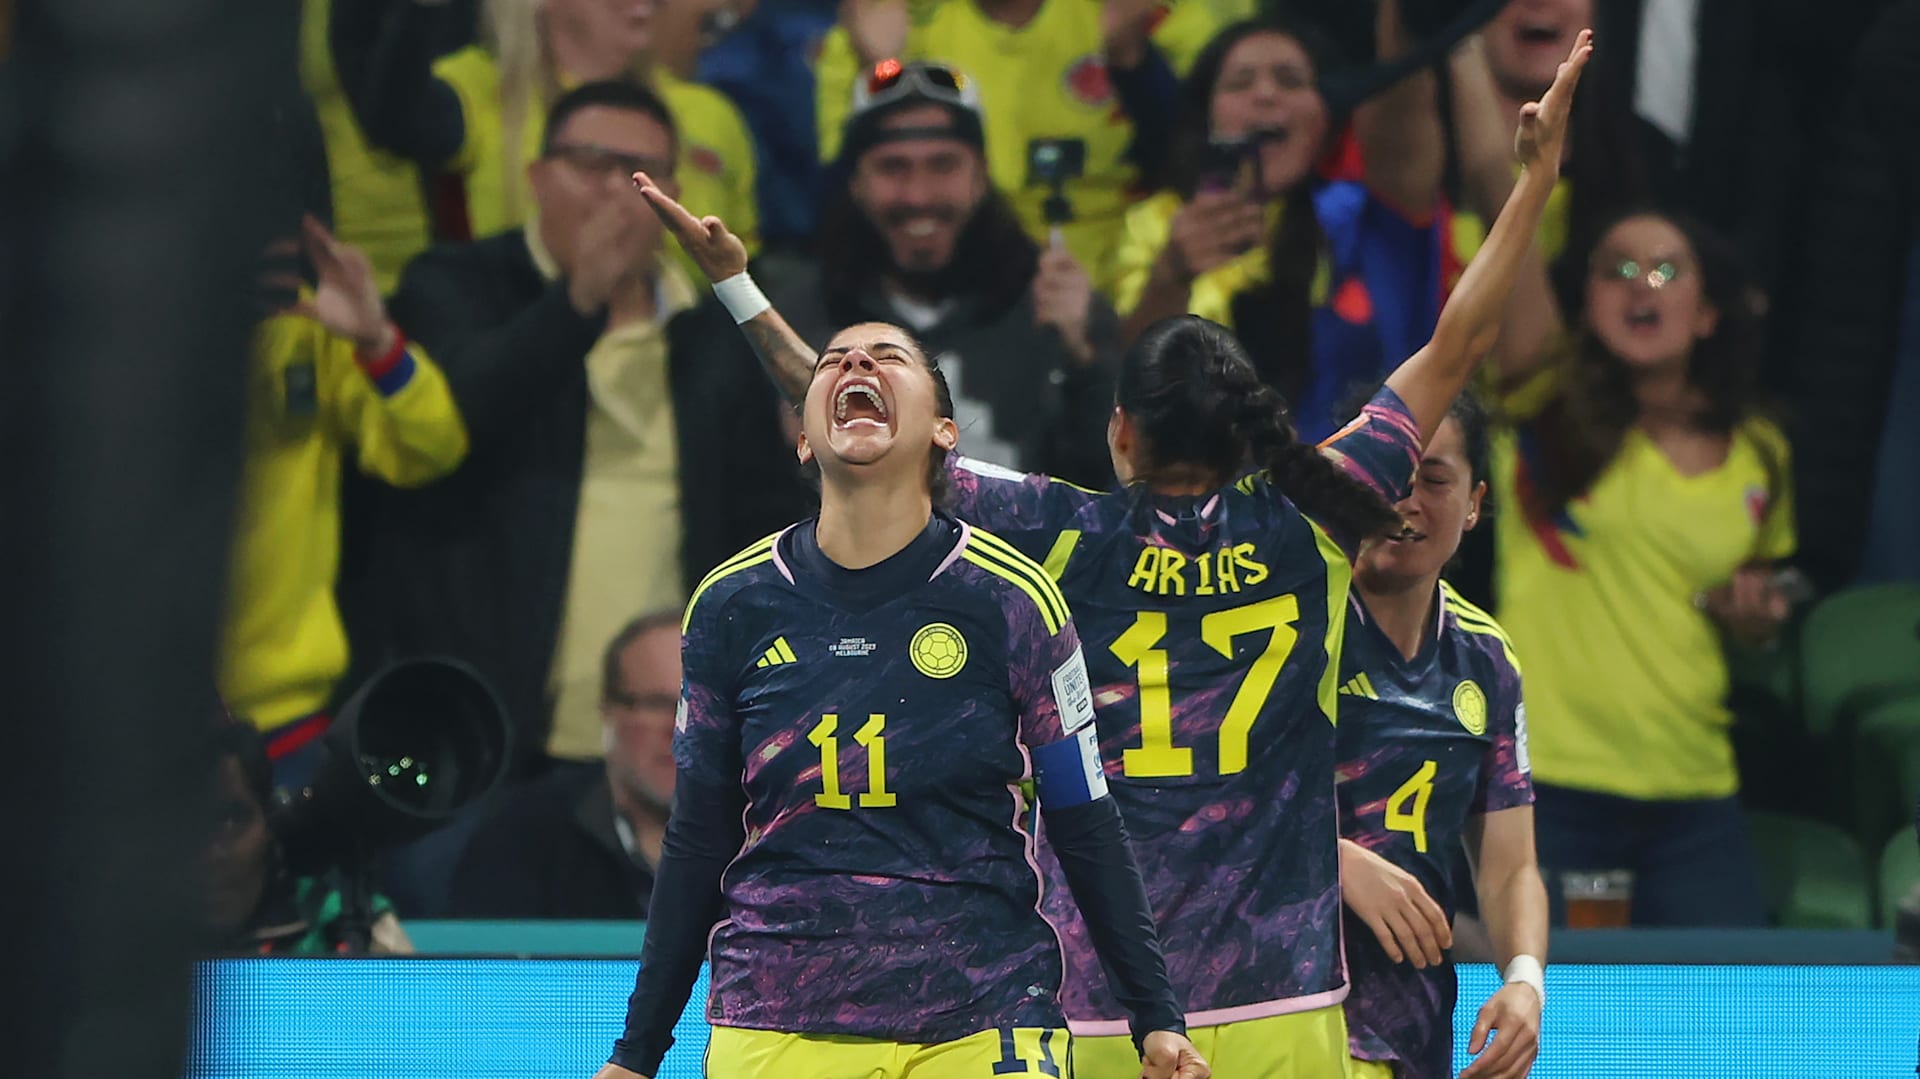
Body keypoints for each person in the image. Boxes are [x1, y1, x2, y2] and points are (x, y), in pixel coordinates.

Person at [633, 26, 1586, 1076]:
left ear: (1120, 429)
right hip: (1288, 996)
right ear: (1253, 429)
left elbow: (858, 413)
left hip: (1107, 1008)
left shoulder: (1055, 533)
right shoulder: (1310, 521)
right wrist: (1531, 182)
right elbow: (1455, 343)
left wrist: (738, 287)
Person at [591, 323, 1208, 1079]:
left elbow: (1086, 820)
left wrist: (1156, 1015)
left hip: (982, 1012)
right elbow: (696, 840)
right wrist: (636, 1054)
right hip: (781, 1014)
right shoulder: (731, 604)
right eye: (832, 361)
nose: (854, 361)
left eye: (888, 357)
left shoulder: (1014, 601)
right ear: (805, 442)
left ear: (944, 431)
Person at [341, 80, 805, 780]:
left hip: (659, 743)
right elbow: (447, 432)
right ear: (536, 177)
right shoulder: (452, 286)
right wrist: (577, 301)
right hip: (478, 729)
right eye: (593, 165)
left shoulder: (713, 336)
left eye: (645, 177)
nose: (619, 194)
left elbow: (757, 526)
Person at [1483, 205, 1794, 926]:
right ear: (1586, 301)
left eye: (1665, 270)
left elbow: (1756, 593)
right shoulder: (1542, 417)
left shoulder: (1762, 452)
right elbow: (1511, 228)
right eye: (1617, 270)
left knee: (1720, 1020)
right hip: (1561, 788)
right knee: (1578, 1024)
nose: (1639, 287)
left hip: (1696, 786)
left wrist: (1757, 617)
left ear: (1708, 312)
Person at [762, 59, 1122, 486]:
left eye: (943, 165)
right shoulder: (796, 323)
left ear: (981, 176)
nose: (918, 196)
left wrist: (1084, 362)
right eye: (893, 168)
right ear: (855, 183)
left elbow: (1109, 495)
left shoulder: (1054, 307)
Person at [1106, 8, 1454, 441]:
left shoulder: (1361, 216)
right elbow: (1129, 390)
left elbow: (1403, 125)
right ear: (1206, 115)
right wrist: (1170, 274)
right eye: (1239, 83)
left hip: (1353, 494)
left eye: (1290, 81)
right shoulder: (1156, 224)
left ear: (1325, 119)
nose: (1266, 95)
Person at [1332, 392, 1548, 1079]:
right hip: (1288, 1013)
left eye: (1433, 478)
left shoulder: (1486, 658)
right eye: (1389, 476)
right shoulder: (1283, 628)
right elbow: (1196, 809)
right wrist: (1333, 859)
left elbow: (1510, 864)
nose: (1406, 501)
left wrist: (1524, 980)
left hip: (1416, 1028)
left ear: (1476, 501)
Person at [221, 212, 468, 787]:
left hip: (284, 720)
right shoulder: (105, 329)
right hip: (124, 714)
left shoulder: (304, 326)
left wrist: (378, 341)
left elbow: (429, 449)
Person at [341, 0, 757, 284]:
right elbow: (393, 120)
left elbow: (750, 269)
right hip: (519, 351)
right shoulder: (484, 88)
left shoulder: (711, 115)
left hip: (682, 372)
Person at [812, 0, 1202, 274]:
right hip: (949, 276)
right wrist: (879, 69)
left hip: (1115, 274)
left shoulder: (1139, 12)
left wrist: (1135, 64)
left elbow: (1192, 174)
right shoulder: (888, 19)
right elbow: (835, 205)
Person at [447, 611, 681, 919]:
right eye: (656, 704)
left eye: (709, 703)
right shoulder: (521, 838)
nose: (681, 727)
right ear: (608, 710)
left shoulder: (766, 839)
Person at [203, 714, 413, 955]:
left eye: (231, 822)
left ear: (270, 823)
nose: (211, 854)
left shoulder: (348, 923)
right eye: (182, 826)